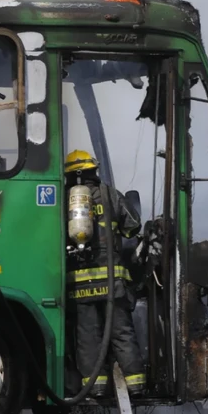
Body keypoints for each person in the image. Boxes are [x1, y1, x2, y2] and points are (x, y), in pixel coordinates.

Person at [64, 150, 145, 398]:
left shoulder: (66, 200)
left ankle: (96, 387)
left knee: (88, 337)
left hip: (80, 283)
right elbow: (133, 226)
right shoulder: (111, 194)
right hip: (113, 283)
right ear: (93, 170)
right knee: (121, 333)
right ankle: (136, 384)